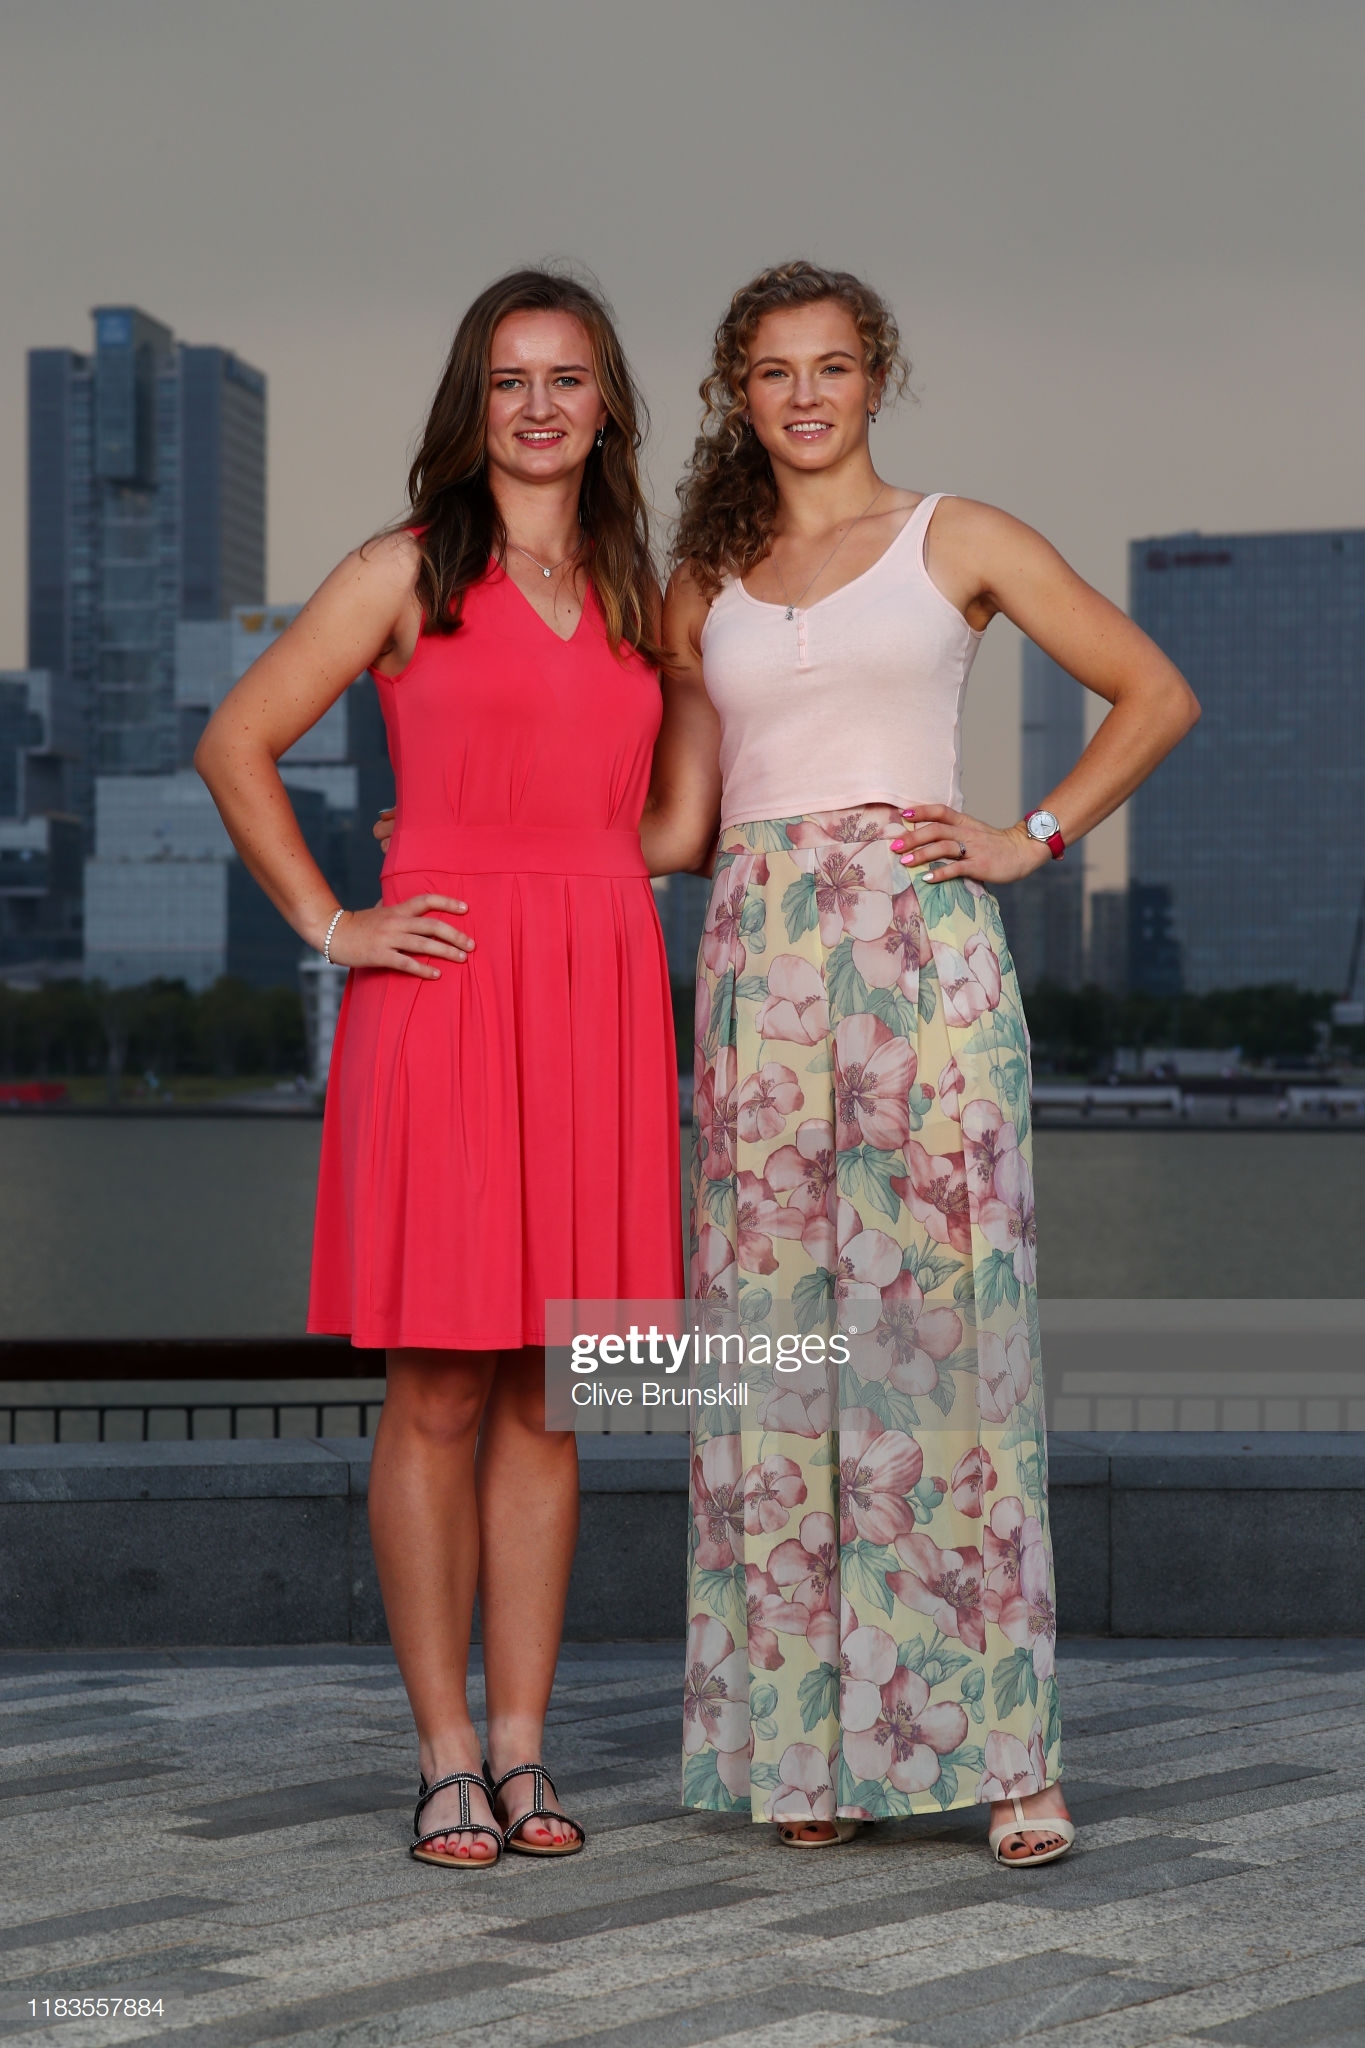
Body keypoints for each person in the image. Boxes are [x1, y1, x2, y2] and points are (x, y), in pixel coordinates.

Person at [642, 260, 1200, 1860]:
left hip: (919, 966)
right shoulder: (702, 584)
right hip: (757, 978)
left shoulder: (959, 536)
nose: (803, 395)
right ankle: (808, 1756)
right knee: (775, 1356)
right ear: (735, 394)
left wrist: (1032, 836)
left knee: (948, 1344)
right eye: (772, 371)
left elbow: (1153, 692)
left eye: (829, 365)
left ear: (873, 377)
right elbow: (678, 824)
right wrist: (477, 842)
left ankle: (1009, 1759)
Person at [196, 269, 681, 1870]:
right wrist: (334, 924)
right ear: (471, 404)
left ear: (607, 406)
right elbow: (235, 742)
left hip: (601, 988)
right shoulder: (401, 570)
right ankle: (444, 1754)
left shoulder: (641, 589)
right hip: (449, 990)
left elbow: (676, 818)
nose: (538, 407)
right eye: (507, 379)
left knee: (552, 1394)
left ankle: (527, 1748)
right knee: (440, 1385)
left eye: (566, 378)